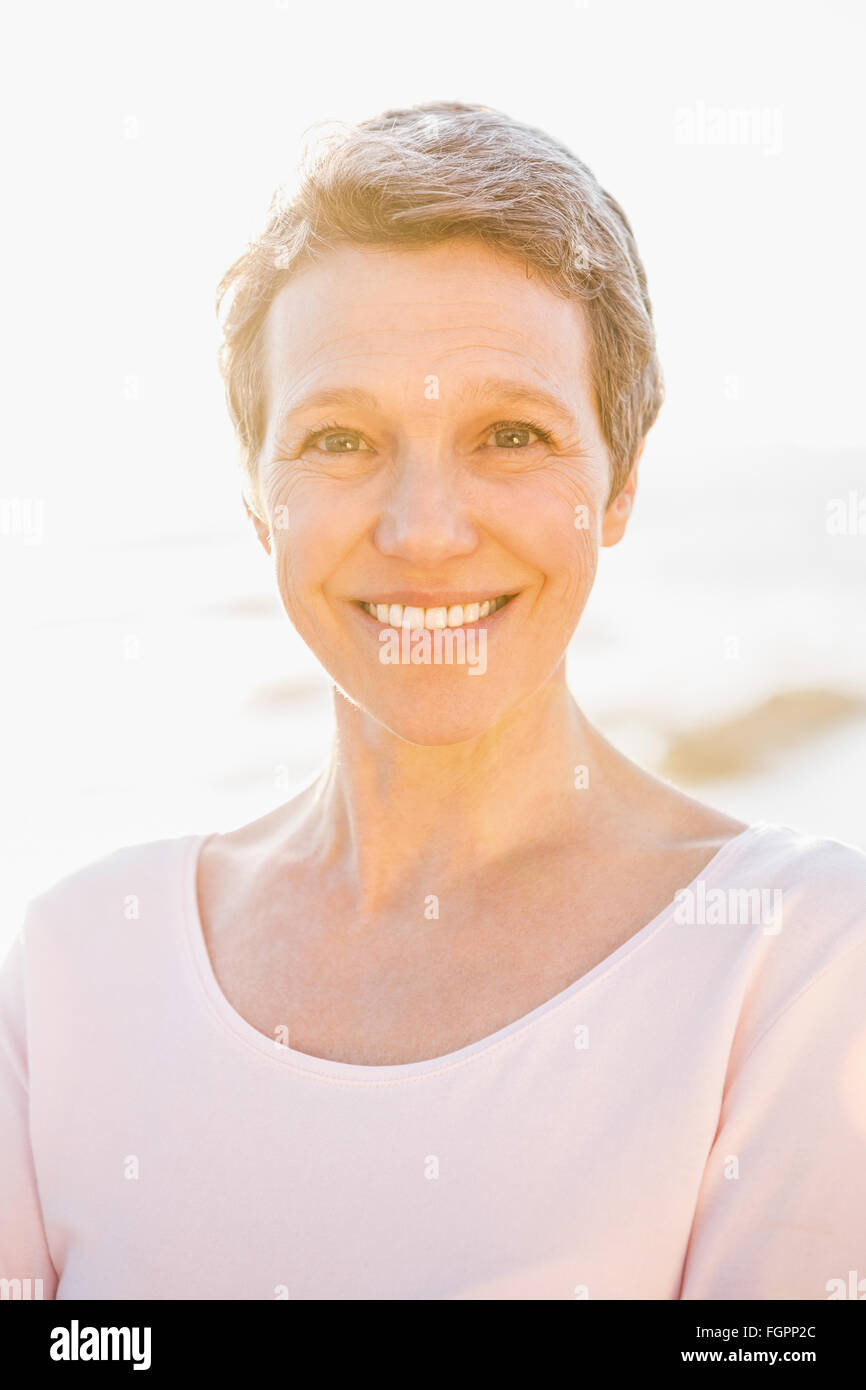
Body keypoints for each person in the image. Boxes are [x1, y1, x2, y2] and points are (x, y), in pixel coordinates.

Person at [2, 101, 864, 1301]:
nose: (422, 531)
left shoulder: (795, 961)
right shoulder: (73, 966)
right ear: (258, 492)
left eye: (509, 435)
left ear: (617, 480)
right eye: (340, 439)